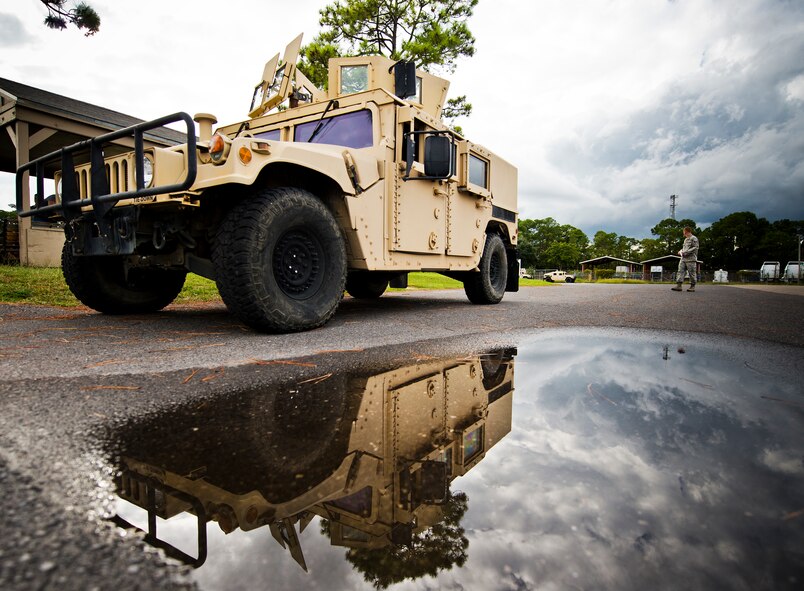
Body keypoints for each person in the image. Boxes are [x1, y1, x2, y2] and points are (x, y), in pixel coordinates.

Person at [672, 227, 699, 292]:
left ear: (686, 231)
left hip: (691, 259)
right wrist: (680, 251)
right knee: (680, 271)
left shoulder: (694, 238)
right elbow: (684, 248)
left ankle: (692, 286)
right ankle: (679, 285)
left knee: (691, 273)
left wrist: (685, 252)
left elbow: (695, 248)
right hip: (683, 258)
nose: (683, 233)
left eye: (684, 232)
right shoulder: (686, 239)